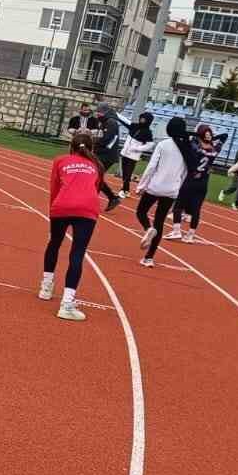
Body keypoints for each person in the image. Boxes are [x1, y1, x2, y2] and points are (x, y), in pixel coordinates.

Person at [42, 132, 121, 321]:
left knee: (54, 243)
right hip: (87, 210)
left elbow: (54, 188)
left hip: (61, 206)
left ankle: (45, 287)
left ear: (71, 147)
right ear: (91, 149)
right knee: (77, 253)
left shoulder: (60, 161)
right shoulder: (97, 165)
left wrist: (53, 213)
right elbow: (94, 190)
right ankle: (67, 304)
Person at [135, 116, 196, 267]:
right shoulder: (187, 148)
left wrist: (141, 185)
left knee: (141, 212)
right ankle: (149, 258)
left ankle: (148, 229)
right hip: (172, 190)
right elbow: (186, 172)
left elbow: (151, 167)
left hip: (155, 186)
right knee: (160, 221)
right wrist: (177, 187)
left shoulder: (163, 145)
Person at [166, 123, 228, 243]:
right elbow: (224, 136)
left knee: (178, 206)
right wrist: (212, 137)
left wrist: (198, 134)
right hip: (203, 182)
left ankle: (176, 231)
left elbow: (185, 136)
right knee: (196, 210)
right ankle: (190, 235)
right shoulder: (215, 150)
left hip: (191, 179)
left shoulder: (195, 147)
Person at [118, 111, 155, 197]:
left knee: (128, 174)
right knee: (124, 173)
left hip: (133, 156)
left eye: (144, 119)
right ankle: (126, 190)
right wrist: (115, 114)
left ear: (148, 121)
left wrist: (137, 148)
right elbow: (125, 120)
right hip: (125, 154)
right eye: (141, 118)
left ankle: (124, 190)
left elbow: (150, 145)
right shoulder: (134, 126)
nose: (141, 119)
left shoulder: (148, 132)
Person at [93, 105, 124, 176]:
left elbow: (107, 138)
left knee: (96, 173)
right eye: (97, 111)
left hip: (106, 155)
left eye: (99, 112)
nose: (97, 114)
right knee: (96, 173)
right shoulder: (105, 122)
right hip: (103, 153)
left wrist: (96, 143)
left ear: (105, 112)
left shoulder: (111, 122)